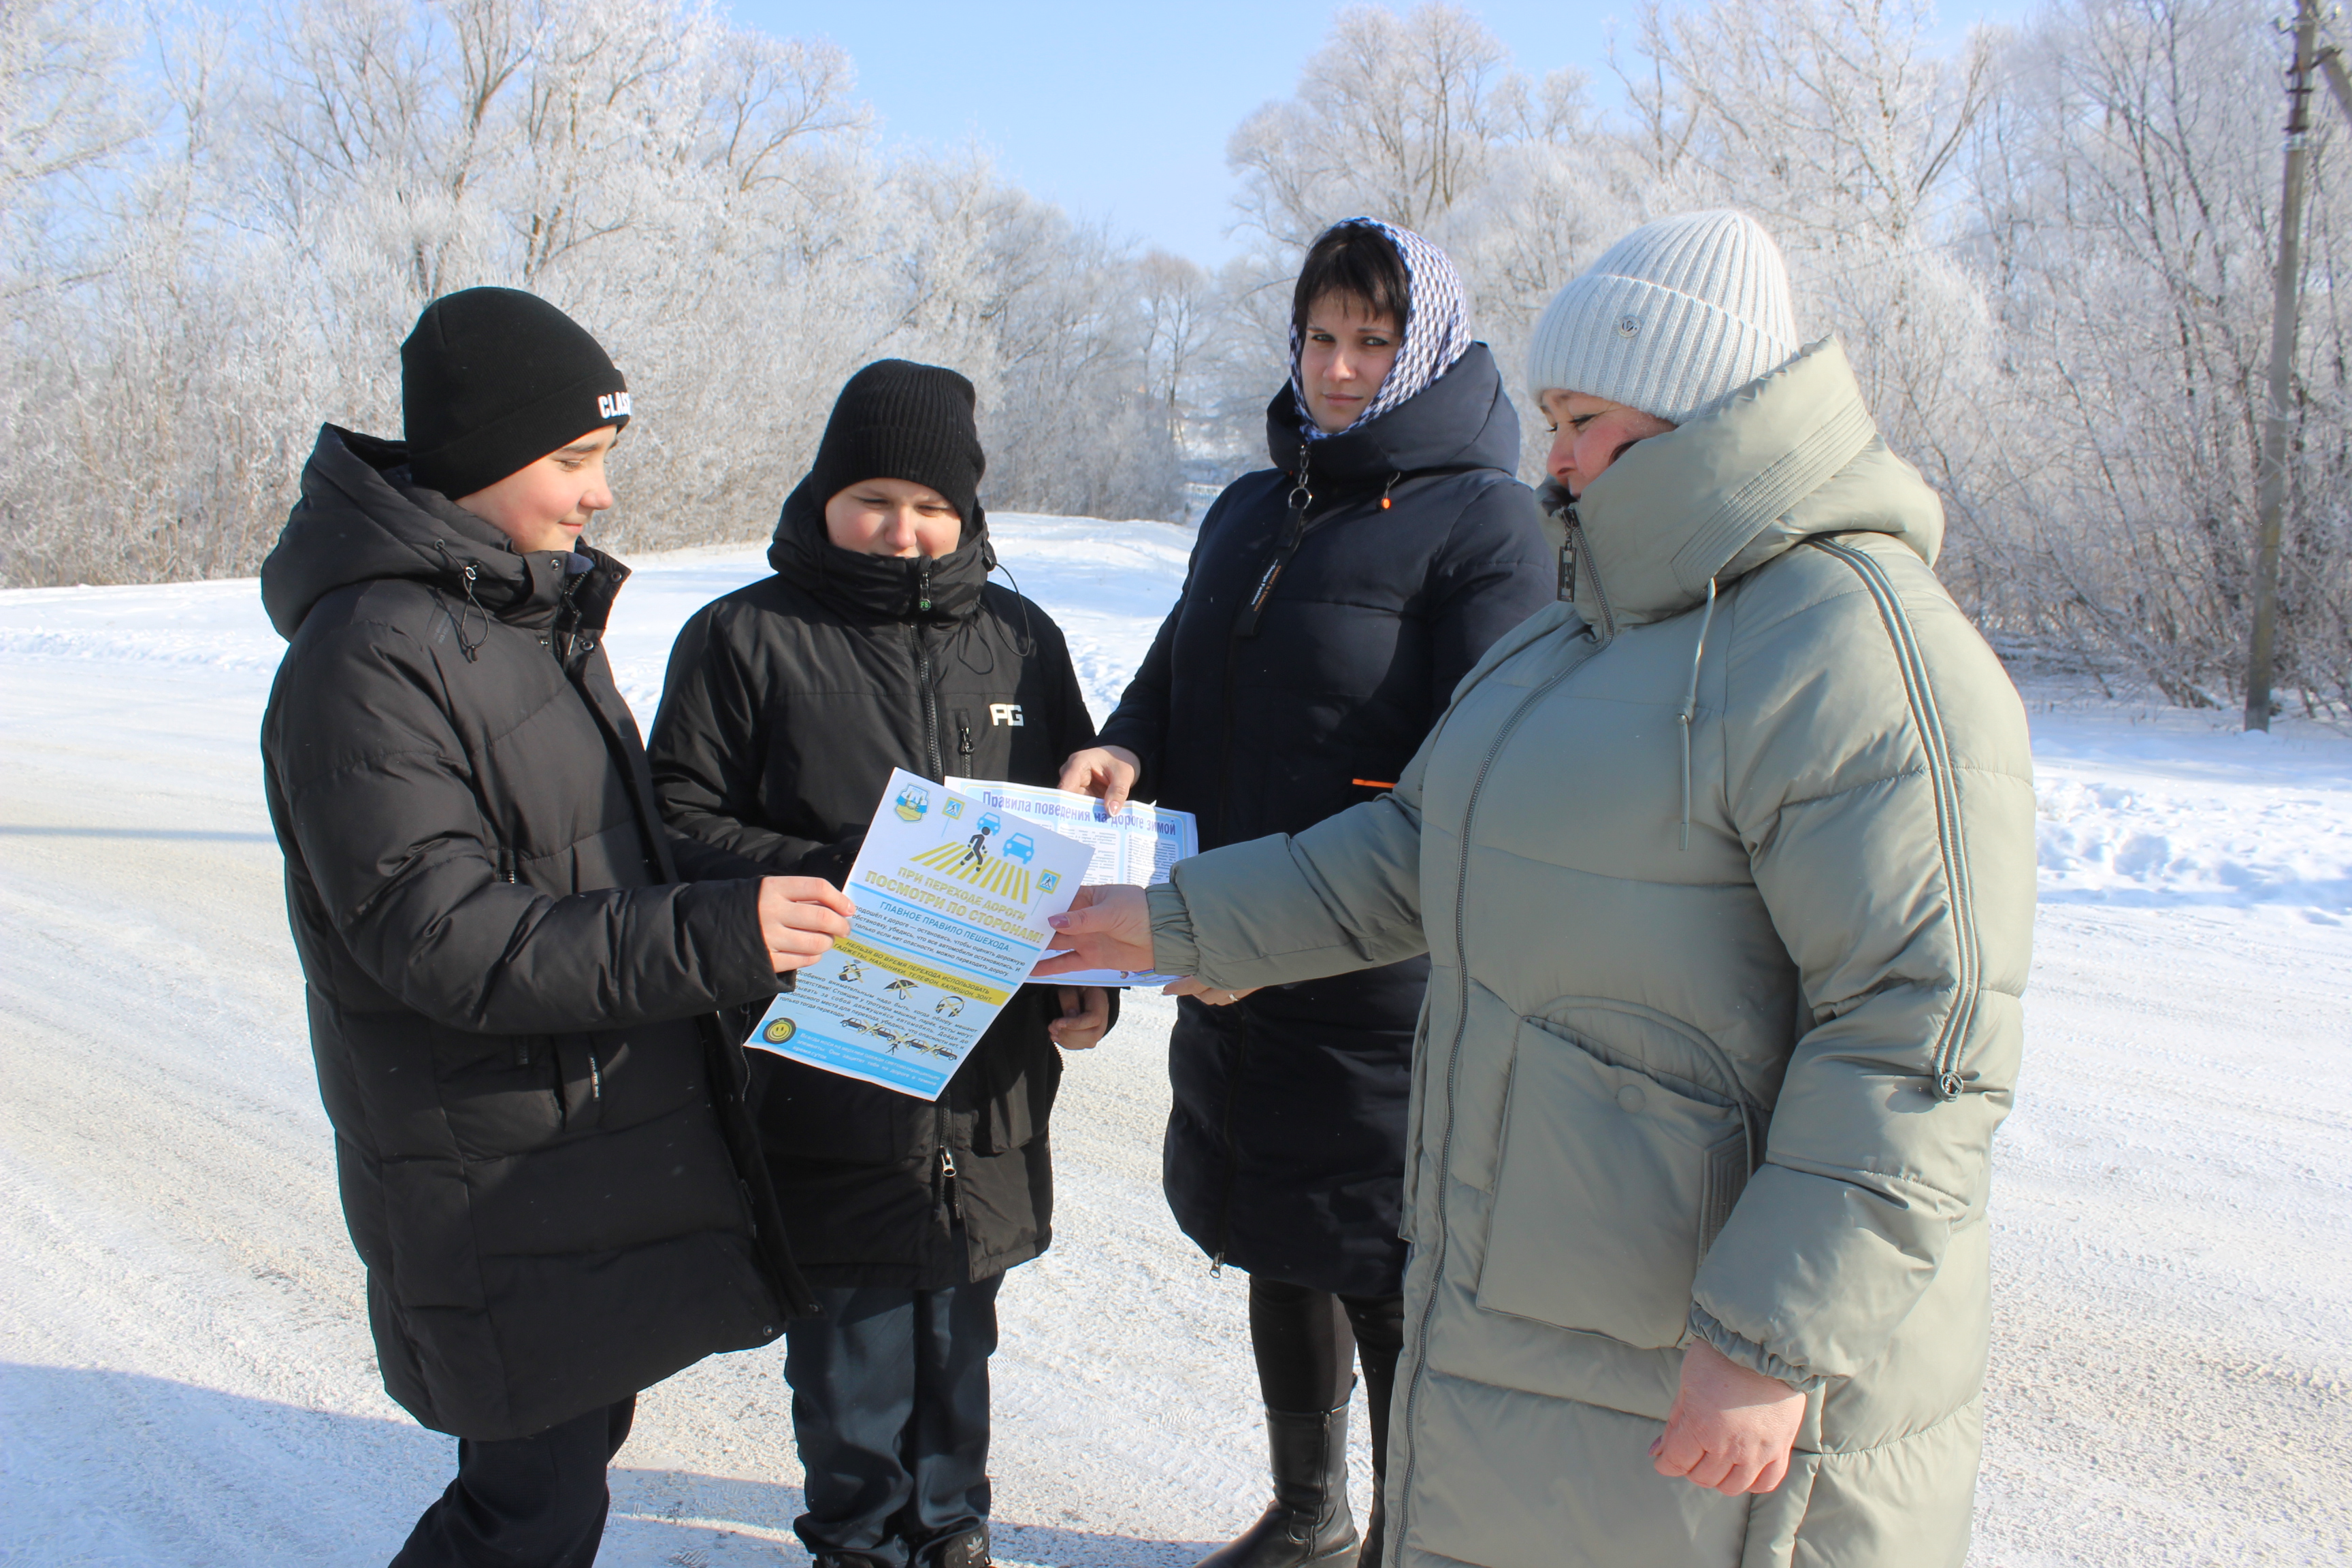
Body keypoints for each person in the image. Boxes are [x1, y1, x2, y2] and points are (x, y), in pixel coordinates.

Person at [1039, 210, 2035, 1568]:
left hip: (1730, 1356)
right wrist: (1178, 919)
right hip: (1566, 1316)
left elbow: (1919, 1037)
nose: (1550, 457)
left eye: (1581, 420)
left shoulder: (1854, 651)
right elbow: (1409, 852)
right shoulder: (1580, 637)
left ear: (1702, 412)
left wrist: (1770, 1340)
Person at [258, 285, 854, 1567]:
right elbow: (443, 935)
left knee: (557, 1481)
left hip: (574, 1147)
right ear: (480, 460)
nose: (598, 496)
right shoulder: (369, 656)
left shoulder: (518, 619)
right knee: (525, 1513)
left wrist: (821, 885)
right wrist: (719, 936)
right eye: (574, 461)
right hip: (492, 1167)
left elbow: (612, 851)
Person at [1058, 218, 1552, 1568]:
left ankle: (1413, 1538)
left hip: (1377, 974)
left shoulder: (1487, 522)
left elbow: (1479, 768)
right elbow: (1181, 666)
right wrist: (1125, 742)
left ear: (1426, 347)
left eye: (1372, 341)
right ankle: (1309, 1512)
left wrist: (1289, 922)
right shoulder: (1254, 504)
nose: (1339, 369)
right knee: (1273, 1229)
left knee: (1385, 1266)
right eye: (1321, 338)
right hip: (1225, 944)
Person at [647, 359, 1116, 1568]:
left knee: (965, 1321)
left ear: (967, 515)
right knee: (851, 1336)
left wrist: (1089, 978)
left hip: (988, 1067)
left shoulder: (1020, 640)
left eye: (932, 507)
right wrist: (834, 867)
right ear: (825, 493)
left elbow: (1075, 835)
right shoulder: (746, 637)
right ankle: (858, 1538)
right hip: (829, 1052)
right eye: (875, 500)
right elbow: (675, 817)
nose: (904, 532)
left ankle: (953, 1529)